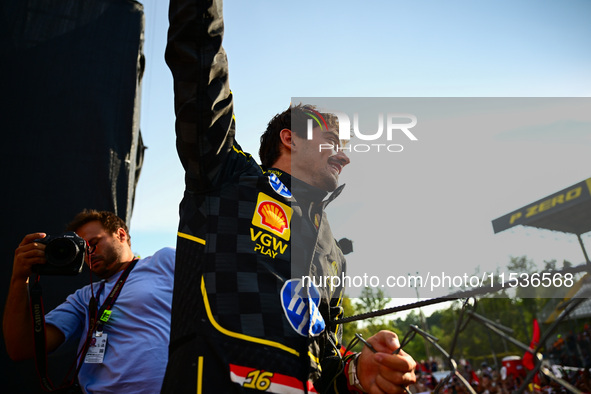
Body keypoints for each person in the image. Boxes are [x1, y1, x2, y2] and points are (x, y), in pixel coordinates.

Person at [161, 0, 416, 393]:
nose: (345, 155)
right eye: (332, 140)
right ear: (290, 137)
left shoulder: (333, 252)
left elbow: (324, 358)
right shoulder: (226, 175)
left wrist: (356, 374)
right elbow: (198, 58)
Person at [3, 209, 175, 393]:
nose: (89, 254)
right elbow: (21, 347)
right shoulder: (85, 297)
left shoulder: (162, 261)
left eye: (94, 243)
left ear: (121, 234)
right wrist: (19, 280)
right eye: (83, 250)